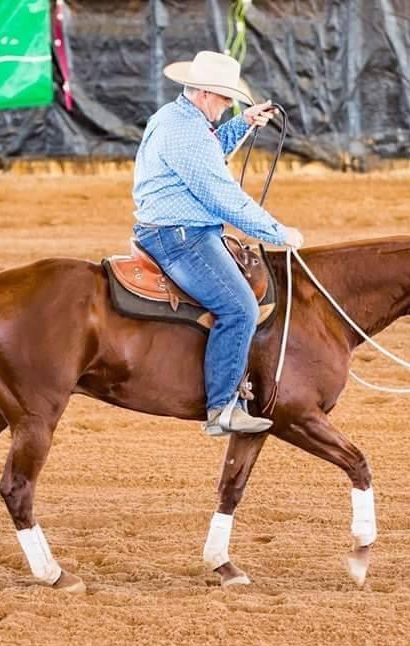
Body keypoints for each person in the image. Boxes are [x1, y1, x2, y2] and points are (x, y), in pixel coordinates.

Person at [132, 50, 304, 436]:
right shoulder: (188, 132)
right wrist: (277, 232)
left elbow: (209, 151)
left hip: (167, 228)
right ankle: (223, 408)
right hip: (181, 236)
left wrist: (243, 123)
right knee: (240, 308)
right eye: (226, 98)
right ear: (205, 93)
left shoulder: (175, 117)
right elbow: (223, 197)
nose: (228, 105)